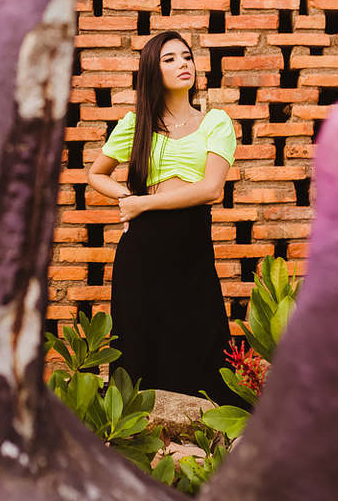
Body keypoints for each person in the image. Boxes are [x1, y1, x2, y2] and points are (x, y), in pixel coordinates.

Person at [86, 31, 243, 404]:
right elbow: (96, 174)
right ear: (152, 72)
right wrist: (126, 197)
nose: (182, 64)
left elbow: (211, 189)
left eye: (186, 56)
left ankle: (210, 435)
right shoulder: (135, 124)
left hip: (192, 246)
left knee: (202, 339)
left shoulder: (216, 122)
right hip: (142, 250)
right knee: (139, 343)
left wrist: (142, 204)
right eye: (169, 59)